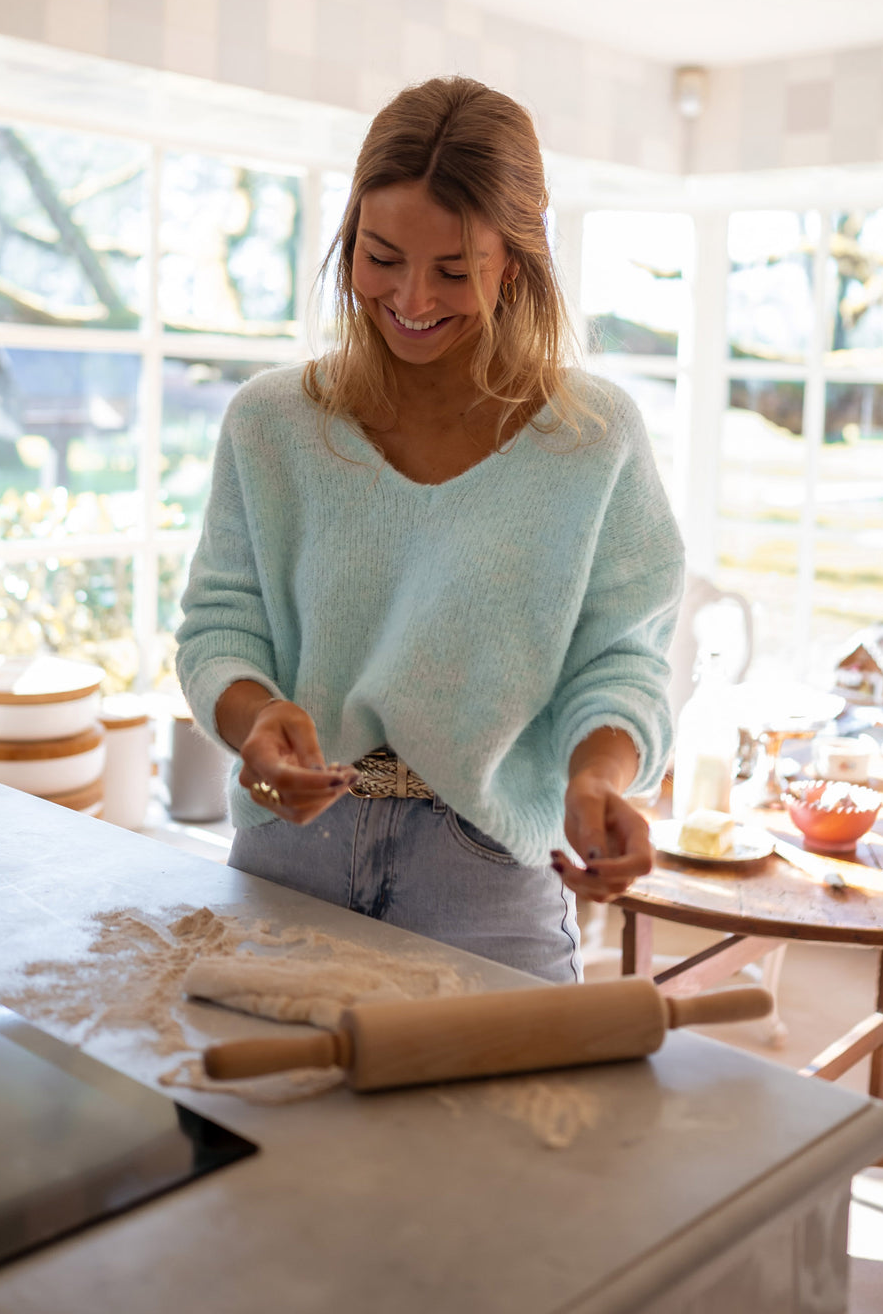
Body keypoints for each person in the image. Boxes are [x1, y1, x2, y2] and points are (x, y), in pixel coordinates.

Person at [176, 75, 684, 983]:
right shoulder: (270, 423)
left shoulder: (593, 439)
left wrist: (598, 778)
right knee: (252, 1124)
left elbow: (624, 660)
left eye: (454, 270)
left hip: (486, 881)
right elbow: (221, 627)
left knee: (506, 1129)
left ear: (514, 265)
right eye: (380, 257)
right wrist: (256, 722)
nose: (411, 298)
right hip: (289, 856)